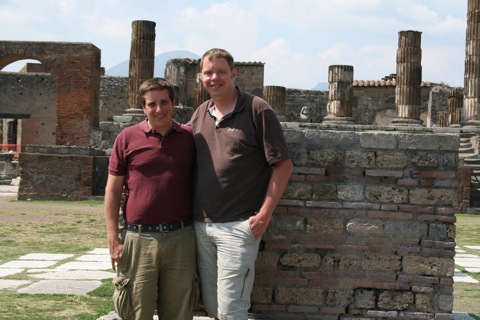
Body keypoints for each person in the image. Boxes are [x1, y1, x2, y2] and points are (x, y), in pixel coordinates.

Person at [188, 48, 293, 320]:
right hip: (202, 226)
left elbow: (283, 164)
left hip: (238, 226)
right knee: (213, 307)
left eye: (221, 72)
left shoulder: (257, 109)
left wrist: (264, 215)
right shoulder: (201, 113)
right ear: (201, 77)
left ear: (234, 74)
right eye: (208, 73)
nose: (215, 78)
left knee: (232, 311)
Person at [104, 77, 197, 320]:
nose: (159, 109)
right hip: (139, 238)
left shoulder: (190, 138)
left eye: (164, 102)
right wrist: (114, 239)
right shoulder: (127, 138)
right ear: (143, 108)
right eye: (152, 104)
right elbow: (113, 191)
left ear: (174, 103)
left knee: (180, 314)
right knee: (136, 312)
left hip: (181, 238)